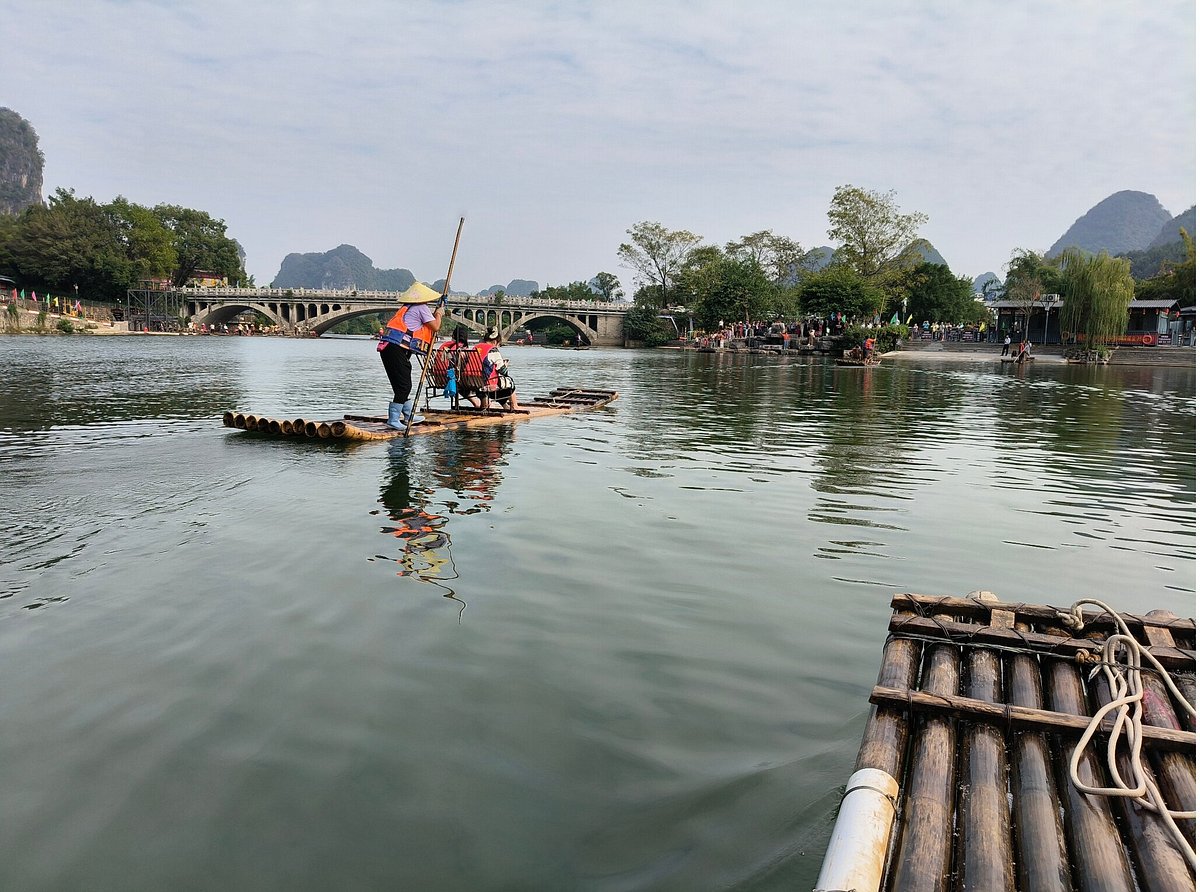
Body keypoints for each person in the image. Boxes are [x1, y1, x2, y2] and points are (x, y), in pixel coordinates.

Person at [378, 282, 444, 428]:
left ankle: (408, 415)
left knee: (400, 384)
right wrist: (439, 313)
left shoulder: (408, 308)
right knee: (404, 385)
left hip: (389, 348)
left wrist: (436, 313)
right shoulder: (421, 307)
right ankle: (393, 419)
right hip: (395, 349)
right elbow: (436, 326)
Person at [472, 326, 520, 410]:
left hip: (473, 383)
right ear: (495, 341)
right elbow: (503, 371)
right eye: (499, 344)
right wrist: (505, 365)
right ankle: (514, 406)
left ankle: (487, 405)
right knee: (509, 381)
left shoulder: (475, 348)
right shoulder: (493, 350)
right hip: (487, 384)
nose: (498, 346)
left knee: (496, 382)